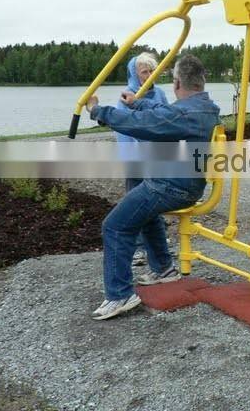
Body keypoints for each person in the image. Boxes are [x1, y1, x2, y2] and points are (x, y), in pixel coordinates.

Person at [87, 54, 220, 320]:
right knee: (144, 213)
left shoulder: (187, 113)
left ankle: (120, 294)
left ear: (177, 83)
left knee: (114, 225)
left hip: (173, 187)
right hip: (181, 183)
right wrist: (137, 103)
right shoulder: (205, 108)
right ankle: (163, 268)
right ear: (201, 81)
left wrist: (99, 111)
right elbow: (162, 114)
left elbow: (146, 125)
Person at [115, 52, 169, 266]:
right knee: (135, 203)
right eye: (144, 72)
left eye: (152, 71)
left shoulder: (159, 94)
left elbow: (168, 119)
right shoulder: (126, 96)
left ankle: (157, 248)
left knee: (155, 202)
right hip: (135, 158)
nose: (149, 75)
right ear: (134, 74)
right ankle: (138, 248)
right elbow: (124, 129)